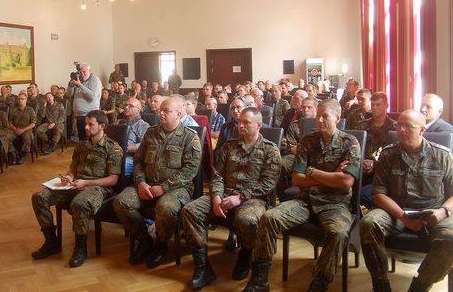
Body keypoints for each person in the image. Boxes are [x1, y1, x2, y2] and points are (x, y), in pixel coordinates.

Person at [243, 99, 361, 292]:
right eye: (318, 116)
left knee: (338, 233)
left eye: (325, 116)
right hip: (305, 201)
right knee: (269, 217)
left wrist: (312, 171)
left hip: (335, 204)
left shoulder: (350, 143)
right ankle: (260, 278)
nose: (320, 120)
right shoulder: (307, 141)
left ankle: (320, 282)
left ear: (338, 118)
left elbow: (346, 182)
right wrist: (332, 176)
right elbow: (297, 180)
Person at [181, 107, 281, 290]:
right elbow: (217, 175)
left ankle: (246, 253)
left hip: (253, 199)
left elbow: (268, 184)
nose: (240, 125)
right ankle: (203, 268)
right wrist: (217, 197)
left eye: (246, 123)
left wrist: (240, 197)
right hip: (225, 193)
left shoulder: (270, 150)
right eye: (239, 122)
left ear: (258, 125)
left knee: (247, 219)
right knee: (190, 210)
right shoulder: (229, 146)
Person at [359, 109, 453, 292]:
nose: (401, 130)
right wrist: (403, 217)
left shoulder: (442, 155)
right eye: (399, 125)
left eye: (408, 126)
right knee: (369, 222)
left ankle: (420, 285)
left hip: (434, 211)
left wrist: (443, 211)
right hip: (396, 210)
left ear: (422, 130)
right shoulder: (388, 154)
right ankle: (380, 284)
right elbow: (379, 193)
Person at [113, 96, 202, 268]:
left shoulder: (190, 137)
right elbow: (138, 161)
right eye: (160, 110)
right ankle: (145, 240)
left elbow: (190, 170)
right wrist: (140, 182)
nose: (161, 114)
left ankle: (161, 245)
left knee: (165, 207)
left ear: (178, 114)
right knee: (121, 202)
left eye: (166, 111)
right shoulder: (151, 132)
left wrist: (164, 187)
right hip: (147, 184)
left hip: (177, 188)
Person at [31, 110, 122, 267]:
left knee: (79, 203)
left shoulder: (113, 148)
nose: (86, 127)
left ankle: (81, 248)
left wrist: (85, 183)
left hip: (98, 188)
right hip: (76, 184)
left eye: (90, 124)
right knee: (39, 197)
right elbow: (73, 169)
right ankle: (52, 242)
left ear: (102, 126)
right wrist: (69, 178)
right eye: (85, 124)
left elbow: (112, 180)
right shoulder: (81, 145)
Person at [357, 92, 397, 208]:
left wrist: (374, 164)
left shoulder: (395, 128)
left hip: (383, 172)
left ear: (386, 106)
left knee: (364, 194)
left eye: (378, 105)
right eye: (372, 104)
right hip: (361, 168)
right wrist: (363, 162)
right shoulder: (362, 125)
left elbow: (393, 155)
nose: (374, 108)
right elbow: (355, 147)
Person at [68, 62, 102, 140]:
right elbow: (69, 94)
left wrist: (80, 85)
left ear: (89, 70)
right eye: (81, 72)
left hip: (90, 115)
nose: (82, 74)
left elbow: (92, 96)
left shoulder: (94, 80)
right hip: (80, 116)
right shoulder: (80, 80)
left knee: (90, 139)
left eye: (84, 71)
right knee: (82, 140)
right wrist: (71, 85)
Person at [118, 98, 150, 177]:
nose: (126, 107)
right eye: (126, 105)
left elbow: (145, 145)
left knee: (118, 166)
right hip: (115, 153)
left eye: (130, 106)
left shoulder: (143, 126)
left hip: (131, 156)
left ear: (138, 110)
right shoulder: (118, 122)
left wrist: (128, 148)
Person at [8, 93, 36, 165]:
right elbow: (10, 122)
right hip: (15, 129)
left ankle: (23, 155)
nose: (20, 100)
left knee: (27, 136)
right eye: (19, 99)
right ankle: (14, 154)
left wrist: (23, 130)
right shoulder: (13, 110)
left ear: (26, 100)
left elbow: (33, 123)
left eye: (22, 99)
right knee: (6, 137)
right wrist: (15, 129)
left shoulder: (30, 110)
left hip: (27, 129)